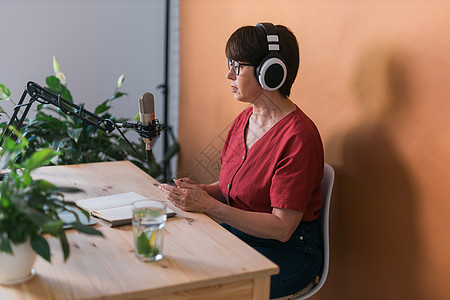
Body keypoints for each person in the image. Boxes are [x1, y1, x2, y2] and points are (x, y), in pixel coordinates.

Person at [160, 22, 324, 299]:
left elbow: (282, 228)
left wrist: (209, 206)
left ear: (270, 72)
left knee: (200, 290)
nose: (228, 74)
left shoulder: (298, 137)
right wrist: (199, 191)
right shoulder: (244, 120)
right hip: (240, 237)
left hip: (285, 254)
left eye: (237, 66)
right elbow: (231, 186)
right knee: (174, 263)